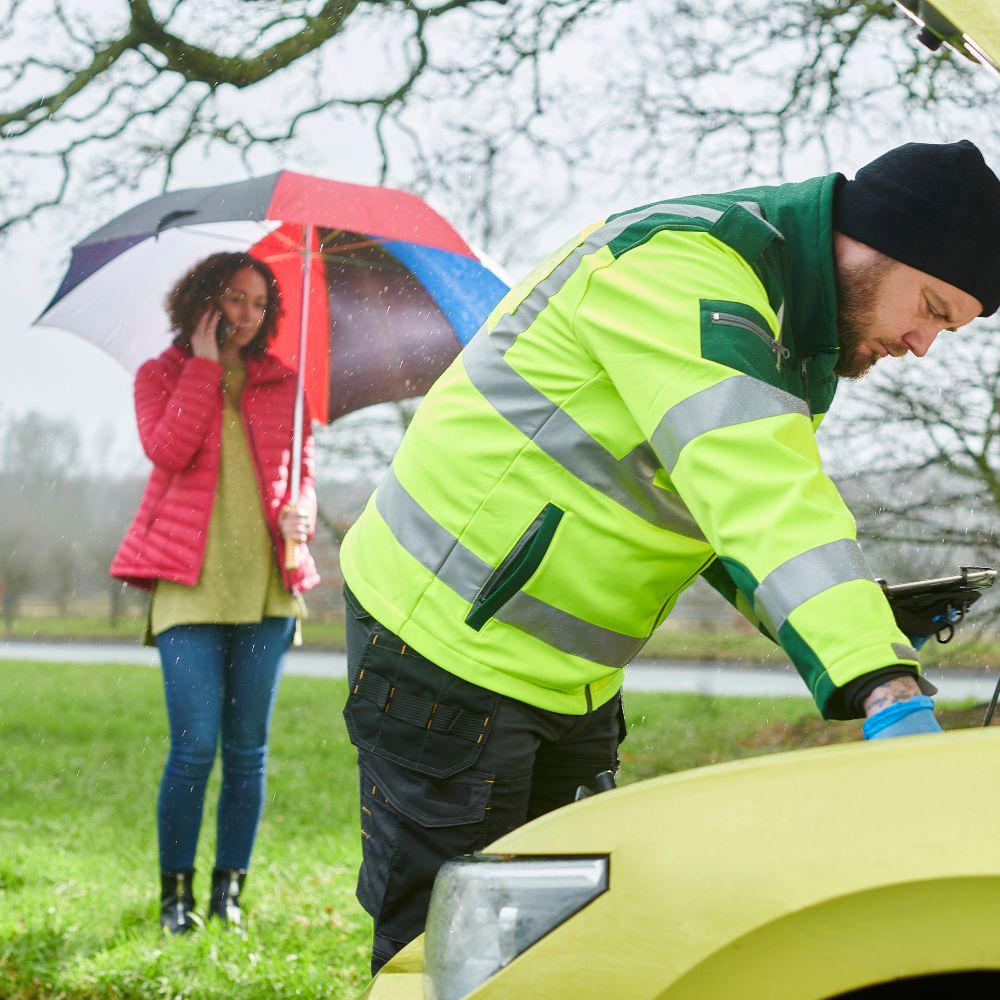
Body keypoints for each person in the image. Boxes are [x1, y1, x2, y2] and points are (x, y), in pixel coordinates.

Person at [338, 139, 1000, 973]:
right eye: (932, 308)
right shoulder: (688, 271)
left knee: (564, 953)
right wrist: (884, 685)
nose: (921, 343)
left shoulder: (790, 327)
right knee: (451, 963)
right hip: (442, 649)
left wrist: (858, 617)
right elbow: (758, 491)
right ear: (872, 241)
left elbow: (718, 517)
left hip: (564, 675)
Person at [110, 252, 320, 935]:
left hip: (265, 590)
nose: (247, 314)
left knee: (248, 750)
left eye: (260, 304)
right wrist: (204, 366)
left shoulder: (287, 388)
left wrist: (302, 514)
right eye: (235, 298)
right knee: (195, 746)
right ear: (204, 299)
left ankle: (229, 892)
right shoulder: (160, 376)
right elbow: (168, 451)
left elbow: (303, 477)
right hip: (187, 592)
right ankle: (177, 898)